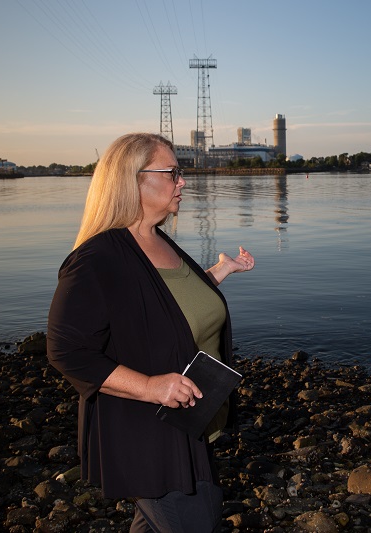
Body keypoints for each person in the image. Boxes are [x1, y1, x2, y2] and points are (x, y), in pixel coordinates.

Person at [46, 132, 255, 533]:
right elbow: (67, 350)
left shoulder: (158, 241)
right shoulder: (97, 258)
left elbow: (166, 305)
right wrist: (149, 386)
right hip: (151, 436)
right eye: (172, 172)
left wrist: (219, 271)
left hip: (190, 424)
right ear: (134, 180)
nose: (183, 181)